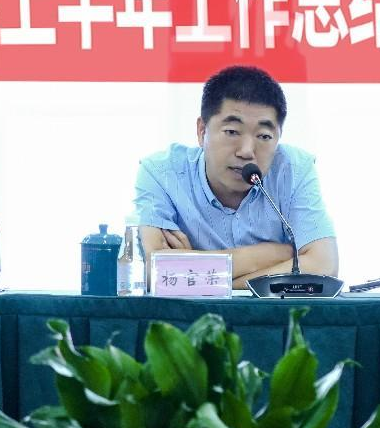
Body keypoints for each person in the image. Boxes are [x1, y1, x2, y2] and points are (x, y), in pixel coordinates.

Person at [134, 65, 337, 289]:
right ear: (202, 131)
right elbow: (155, 272)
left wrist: (198, 273)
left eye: (264, 136)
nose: (247, 151)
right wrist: (271, 254)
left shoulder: (294, 169)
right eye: (232, 132)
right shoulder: (162, 173)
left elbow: (323, 267)